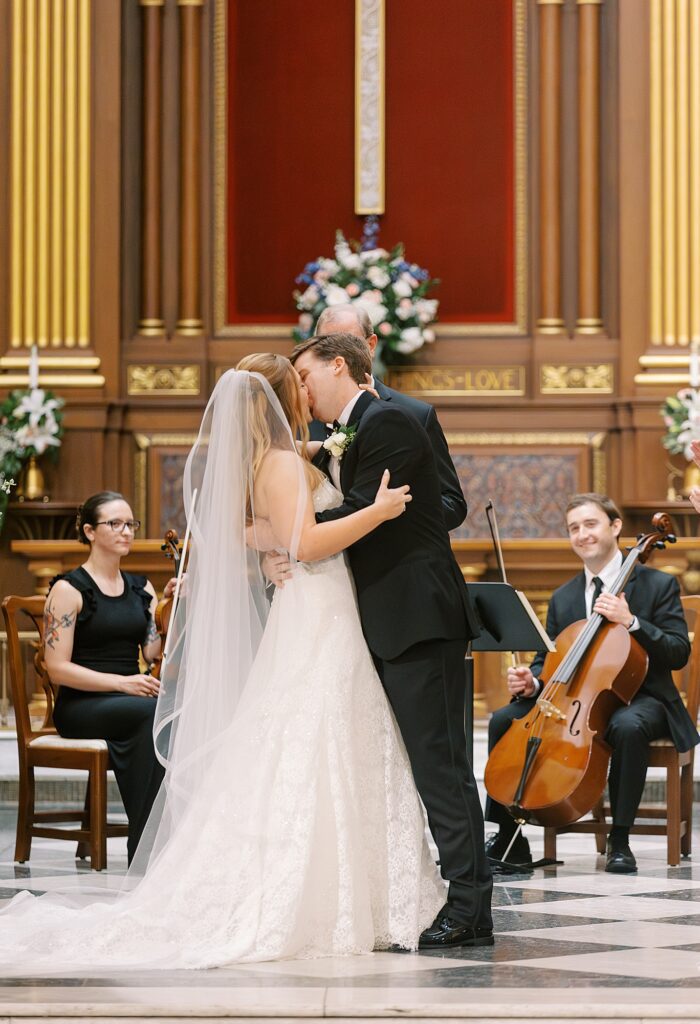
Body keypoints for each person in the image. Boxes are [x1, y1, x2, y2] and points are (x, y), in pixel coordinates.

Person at [0, 355, 445, 969]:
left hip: (312, 605)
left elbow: (242, 529)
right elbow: (309, 541)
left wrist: (266, 547)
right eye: (300, 384)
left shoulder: (268, 460)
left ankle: (350, 890)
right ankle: (341, 896)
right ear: (284, 394)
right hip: (320, 609)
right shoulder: (284, 462)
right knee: (322, 732)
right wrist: (378, 510)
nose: (308, 390)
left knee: (310, 732)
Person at [292, 332, 493, 949]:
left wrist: (286, 530)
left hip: (417, 618)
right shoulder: (353, 430)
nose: (300, 389)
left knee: (443, 769)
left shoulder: (389, 423)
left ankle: (470, 910)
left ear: (338, 365)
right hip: (387, 619)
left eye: (304, 375)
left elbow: (364, 515)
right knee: (421, 766)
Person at [484, 493, 698, 874]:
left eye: (591, 524)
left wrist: (632, 622)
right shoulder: (564, 596)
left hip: (645, 698)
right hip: (573, 700)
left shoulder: (657, 585)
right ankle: (507, 837)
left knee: (625, 726)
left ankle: (620, 840)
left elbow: (678, 652)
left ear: (615, 527)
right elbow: (547, 662)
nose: (582, 534)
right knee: (504, 720)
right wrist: (531, 681)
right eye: (574, 528)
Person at [44, 492, 173, 864]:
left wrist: (171, 610)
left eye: (130, 524)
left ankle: (165, 841)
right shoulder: (68, 590)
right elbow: (57, 667)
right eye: (114, 524)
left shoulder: (141, 588)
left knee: (173, 709)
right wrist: (121, 683)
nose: (126, 532)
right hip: (82, 705)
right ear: (89, 531)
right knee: (150, 714)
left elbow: (152, 653)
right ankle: (145, 848)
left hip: (128, 701)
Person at [310, 304, 467, 531]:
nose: (338, 359)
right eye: (325, 347)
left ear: (371, 345)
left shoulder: (417, 415)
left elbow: (453, 505)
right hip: (323, 559)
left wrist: (386, 511)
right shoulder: (302, 417)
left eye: (348, 344)